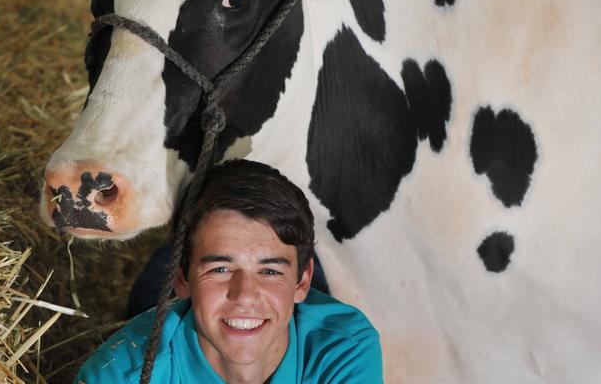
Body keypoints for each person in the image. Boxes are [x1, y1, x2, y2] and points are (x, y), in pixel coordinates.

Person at [75, 159, 383, 383]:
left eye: (269, 271)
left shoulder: (345, 346)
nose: (244, 295)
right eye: (221, 268)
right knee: (148, 296)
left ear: (302, 281)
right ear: (180, 278)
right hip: (171, 305)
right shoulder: (118, 374)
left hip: (288, 309)